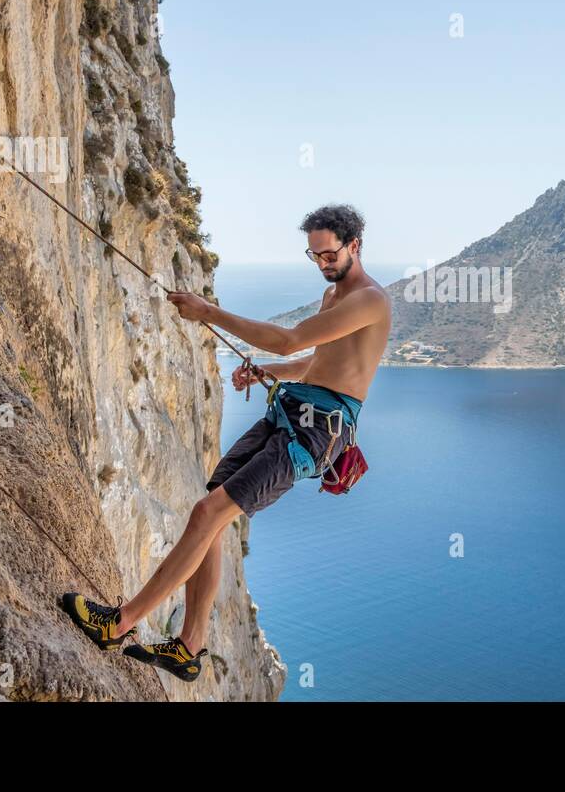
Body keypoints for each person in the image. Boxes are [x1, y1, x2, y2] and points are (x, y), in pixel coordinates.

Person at [60, 204, 391, 681]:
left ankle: (120, 623)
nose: (322, 264)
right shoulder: (334, 298)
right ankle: (189, 648)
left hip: (314, 434)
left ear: (354, 245)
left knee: (207, 514)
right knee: (209, 515)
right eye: (314, 256)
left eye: (329, 254)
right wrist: (269, 373)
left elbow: (289, 341)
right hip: (290, 414)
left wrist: (209, 313)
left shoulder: (370, 300)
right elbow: (315, 365)